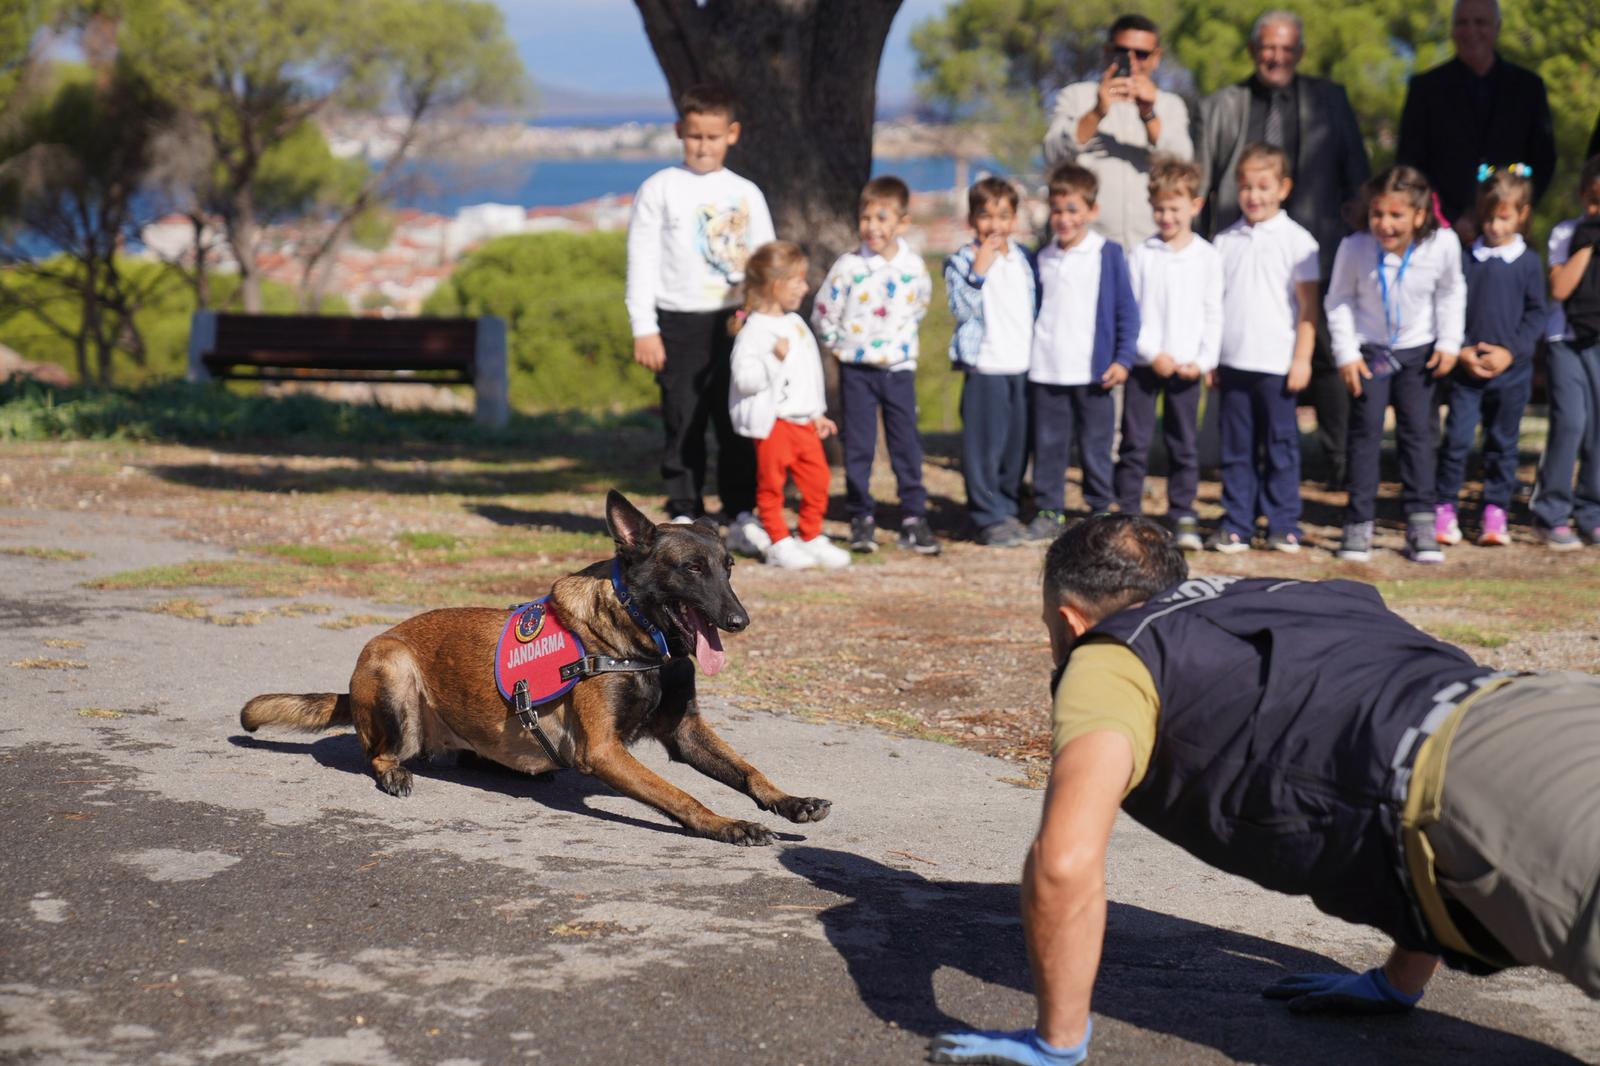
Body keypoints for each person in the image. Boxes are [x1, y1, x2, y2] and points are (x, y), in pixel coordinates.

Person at [927, 513, 1600, 1066]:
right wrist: (1399, 980)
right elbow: (1406, 729)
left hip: (1511, 795)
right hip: (1549, 707)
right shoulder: (1281, 593)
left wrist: (1057, 1041)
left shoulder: (1110, 655)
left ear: (1071, 622)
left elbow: (1065, 861)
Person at [1195, 10, 1369, 489]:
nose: (1277, 57)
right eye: (1268, 48)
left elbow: (1357, 169)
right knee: (1245, 362)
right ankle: (1241, 473)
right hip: (1244, 250)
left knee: (1328, 357)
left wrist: (1361, 228)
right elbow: (1201, 182)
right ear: (1253, 51)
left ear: (1300, 52)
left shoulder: (1330, 100)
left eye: (1286, 48)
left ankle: (1339, 467)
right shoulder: (1225, 103)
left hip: (1316, 249)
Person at [626, 84, 773, 548]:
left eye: (712, 136)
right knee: (683, 416)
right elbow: (641, 261)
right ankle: (684, 509)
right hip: (678, 320)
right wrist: (644, 327)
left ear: (732, 134)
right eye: (694, 137)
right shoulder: (659, 189)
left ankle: (740, 509)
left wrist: (764, 316)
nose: (703, 146)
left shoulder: (746, 192)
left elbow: (765, 259)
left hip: (737, 319)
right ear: (679, 132)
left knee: (736, 417)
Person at [1326, 166, 1466, 563]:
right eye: (1377, 214)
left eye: (1395, 215)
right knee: (1365, 434)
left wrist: (1450, 342)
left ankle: (1421, 524)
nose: (1384, 224)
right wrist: (1346, 353)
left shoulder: (1443, 244)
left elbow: (1451, 293)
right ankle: (1358, 523)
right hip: (1370, 353)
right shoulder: (1354, 247)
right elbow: (1339, 300)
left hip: (1419, 352)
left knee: (1418, 435)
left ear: (1419, 215)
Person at [812, 176, 939, 556]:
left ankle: (913, 517)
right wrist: (841, 346)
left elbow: (919, 305)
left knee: (906, 445)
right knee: (859, 446)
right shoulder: (848, 267)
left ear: (902, 222)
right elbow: (823, 312)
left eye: (882, 218)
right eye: (866, 218)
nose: (873, 226)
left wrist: (896, 344)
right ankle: (861, 516)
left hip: (898, 369)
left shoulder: (913, 267)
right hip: (858, 371)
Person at [1208, 144, 1318, 554]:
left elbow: (1308, 308)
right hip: (1233, 362)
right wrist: (1211, 357)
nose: (1254, 195)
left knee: (1280, 448)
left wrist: (1302, 359)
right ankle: (1237, 522)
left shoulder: (1298, 241)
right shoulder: (1223, 242)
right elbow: (1213, 305)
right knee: (1236, 449)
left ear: (1283, 188)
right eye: (1246, 187)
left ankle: (1283, 523)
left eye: (1263, 186)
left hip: (1277, 365)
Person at [1025, 163, 1138, 540]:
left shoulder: (1107, 254)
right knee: (1050, 446)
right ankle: (1048, 509)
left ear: (1092, 211)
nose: (1064, 218)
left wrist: (1123, 359)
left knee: (1095, 446)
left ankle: (1100, 509)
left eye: (1073, 210)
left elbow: (1126, 311)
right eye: (1057, 210)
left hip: (1094, 374)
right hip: (1048, 371)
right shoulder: (1041, 258)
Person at [1434, 169, 1545, 548]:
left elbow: (1536, 315)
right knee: (1458, 441)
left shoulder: (1529, 263)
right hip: (1467, 372)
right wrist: (1461, 348)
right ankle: (1444, 508)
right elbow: (1450, 304)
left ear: (1521, 216)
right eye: (1489, 217)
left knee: (1502, 445)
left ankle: (1494, 511)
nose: (1495, 226)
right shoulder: (1466, 258)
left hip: (1511, 375)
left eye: (1504, 218)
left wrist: (1510, 352)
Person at [1113, 157, 1220, 552]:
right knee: (1135, 443)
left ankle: (1182, 512)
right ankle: (1126, 514)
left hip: (1188, 369)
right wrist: (1151, 352)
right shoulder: (1141, 255)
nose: (1166, 216)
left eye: (1174, 208)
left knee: (1183, 444)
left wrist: (1203, 360)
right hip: (1146, 366)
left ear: (1195, 205)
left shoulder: (1208, 257)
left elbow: (1213, 312)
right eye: (1159, 208)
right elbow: (1132, 312)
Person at [727, 241, 848, 571]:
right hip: (774, 423)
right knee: (771, 485)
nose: (805, 287)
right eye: (798, 280)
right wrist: (771, 359)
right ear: (776, 284)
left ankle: (810, 535)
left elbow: (810, 371)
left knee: (818, 479)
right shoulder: (753, 330)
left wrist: (817, 412)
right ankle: (779, 541)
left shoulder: (795, 322)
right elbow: (744, 380)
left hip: (803, 422)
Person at [1396, 0, 1556, 237]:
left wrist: (1512, 212)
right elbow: (1411, 165)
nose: (1471, 31)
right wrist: (1448, 217)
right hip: (1443, 233)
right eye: (1462, 23)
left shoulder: (1528, 87)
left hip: (1508, 233)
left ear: (1497, 27)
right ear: (1452, 29)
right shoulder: (1426, 89)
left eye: (1480, 22)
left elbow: (1543, 160)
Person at [1041, 14, 1192, 251]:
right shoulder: (1076, 97)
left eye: (1141, 54)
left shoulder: (1170, 105)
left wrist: (1149, 114)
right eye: (1122, 51)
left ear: (1156, 58)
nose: (1131, 61)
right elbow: (1053, 154)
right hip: (1086, 247)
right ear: (1107, 52)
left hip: (1151, 246)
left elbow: (1182, 165)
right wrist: (1097, 112)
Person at [945, 177, 1038, 548]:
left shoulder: (1023, 258)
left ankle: (1007, 506)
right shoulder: (963, 260)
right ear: (972, 220)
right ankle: (986, 514)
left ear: (1014, 219)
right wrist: (978, 272)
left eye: (1003, 215)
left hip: (1022, 364)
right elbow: (960, 308)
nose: (995, 225)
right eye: (985, 216)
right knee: (984, 446)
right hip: (985, 365)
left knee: (1015, 445)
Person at [1530, 155, 1600, 549]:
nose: (1596, 211)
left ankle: (1592, 512)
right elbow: (1559, 289)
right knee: (1571, 423)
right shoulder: (1566, 234)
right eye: (1592, 202)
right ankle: (1550, 512)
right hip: (1566, 341)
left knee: (1598, 432)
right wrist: (1587, 244)